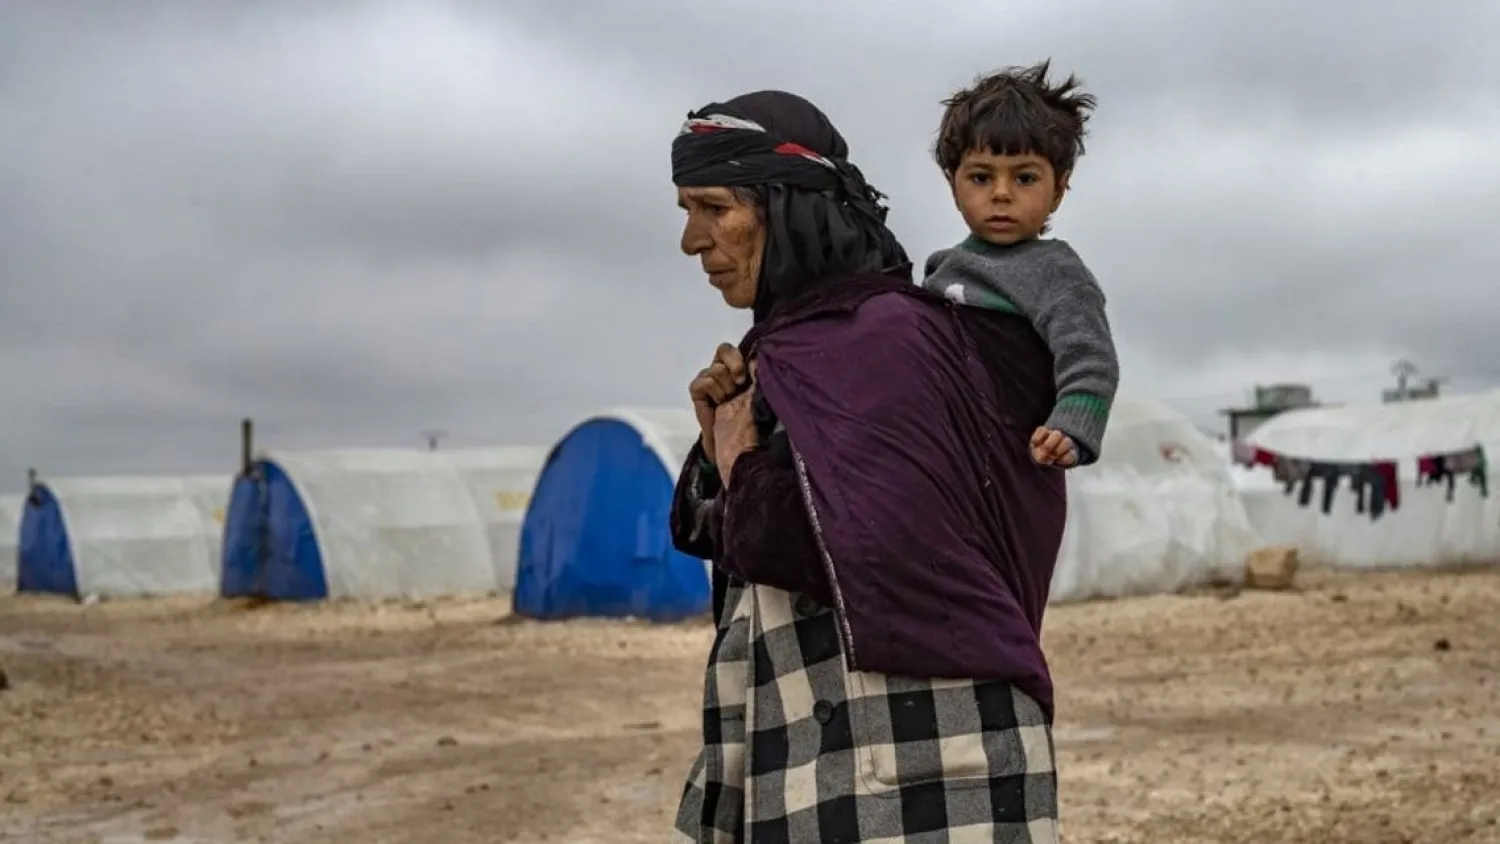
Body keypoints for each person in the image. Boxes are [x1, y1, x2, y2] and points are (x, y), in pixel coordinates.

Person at [668, 90, 1068, 843]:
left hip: (912, 748)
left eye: (714, 207)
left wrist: (743, 459)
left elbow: (878, 550)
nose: (693, 239)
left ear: (784, 205)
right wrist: (724, 448)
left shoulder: (880, 340)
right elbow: (754, 541)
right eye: (687, 210)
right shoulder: (805, 345)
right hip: (820, 731)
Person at [923, 60, 1119, 470]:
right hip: (944, 457)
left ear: (1059, 189)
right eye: (980, 178)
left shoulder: (1057, 274)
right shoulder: (941, 270)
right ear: (952, 184)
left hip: (1017, 464)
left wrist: (1069, 431)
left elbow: (1091, 361)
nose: (1001, 194)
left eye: (1024, 178)